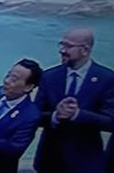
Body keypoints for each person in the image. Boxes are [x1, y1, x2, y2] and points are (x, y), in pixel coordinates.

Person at [34, 28, 114, 173]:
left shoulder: (107, 79)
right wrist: (55, 116)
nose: (62, 50)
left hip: (86, 162)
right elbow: (34, 115)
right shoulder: (49, 76)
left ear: (85, 50)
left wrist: (78, 115)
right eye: (61, 44)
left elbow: (110, 122)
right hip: (49, 160)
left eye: (68, 46)